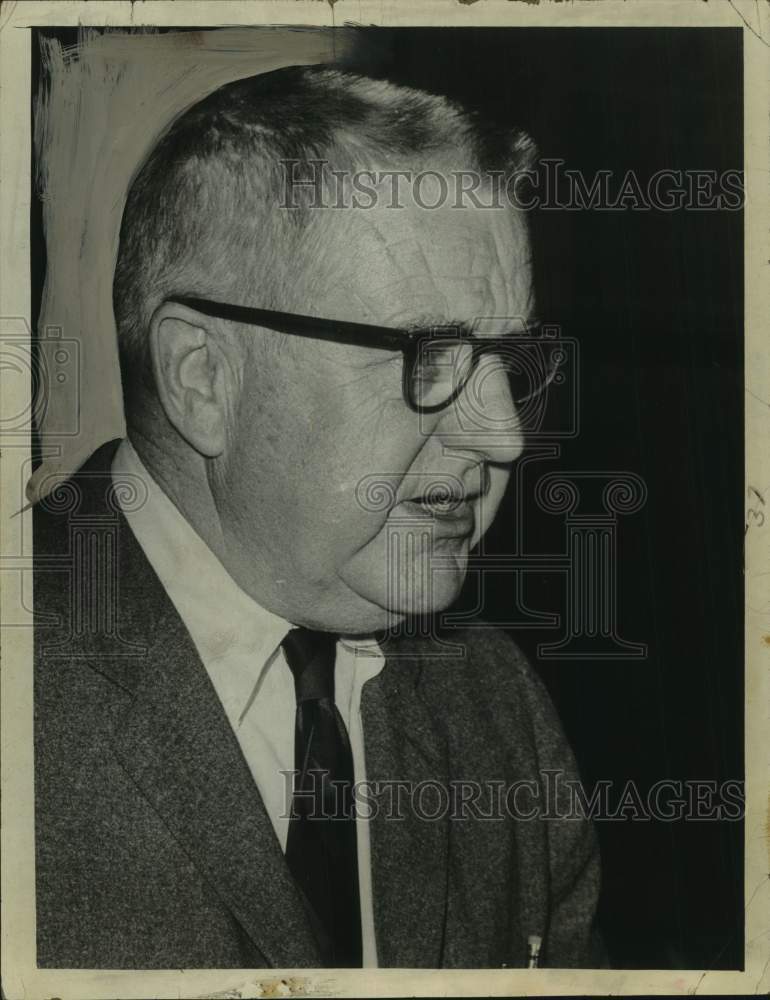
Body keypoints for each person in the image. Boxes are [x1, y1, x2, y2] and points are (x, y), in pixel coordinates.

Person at [33, 65, 603, 969]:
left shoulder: (497, 709)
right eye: (427, 353)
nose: (503, 437)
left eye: (509, 359)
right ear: (202, 378)